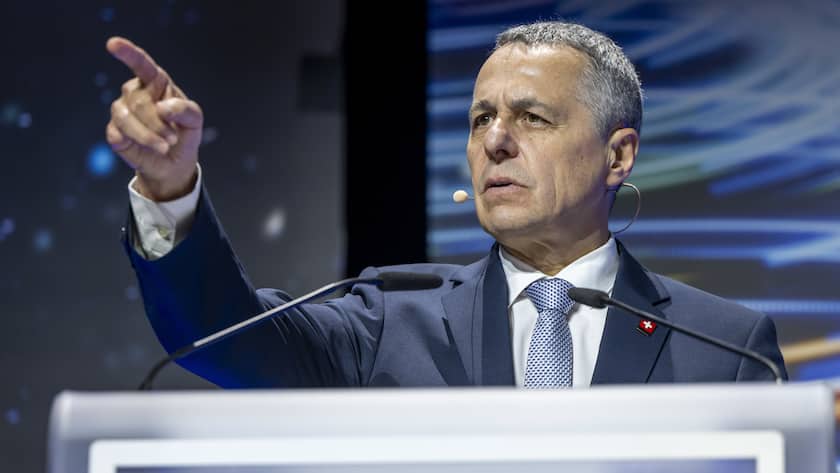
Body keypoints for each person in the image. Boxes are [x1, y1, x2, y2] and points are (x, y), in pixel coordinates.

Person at [107, 21, 787, 388]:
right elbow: (221, 337)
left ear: (618, 156)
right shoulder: (387, 319)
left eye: (532, 118)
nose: (494, 141)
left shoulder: (729, 350)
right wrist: (171, 188)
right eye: (479, 118)